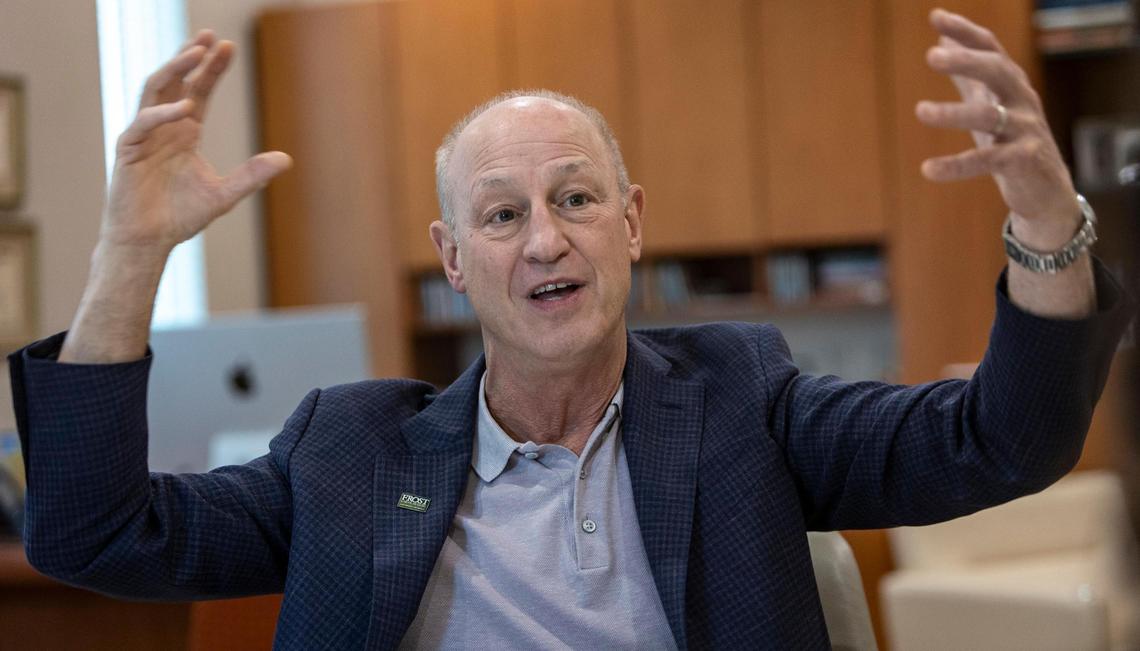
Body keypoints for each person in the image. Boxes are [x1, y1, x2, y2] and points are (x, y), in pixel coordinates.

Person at [7, 8, 1133, 650]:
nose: (545, 239)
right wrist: (131, 255)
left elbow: (1006, 440)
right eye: (501, 215)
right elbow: (94, 535)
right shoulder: (351, 452)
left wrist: (1046, 222)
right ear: (454, 263)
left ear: (631, 225)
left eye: (576, 199)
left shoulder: (749, 401)